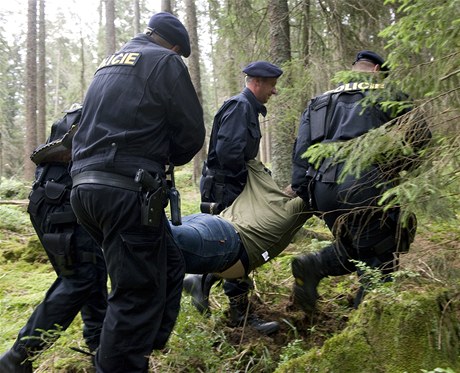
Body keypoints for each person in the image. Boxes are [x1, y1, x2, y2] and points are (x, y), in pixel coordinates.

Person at [69, 12, 205, 373]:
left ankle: (141, 347)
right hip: (126, 192)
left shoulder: (109, 64)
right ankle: (122, 360)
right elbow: (191, 133)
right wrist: (168, 159)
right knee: (135, 294)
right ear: (175, 46)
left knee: (170, 263)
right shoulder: (166, 61)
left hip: (84, 190)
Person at [290, 50, 431, 312]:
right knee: (380, 257)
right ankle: (368, 333)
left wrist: (309, 196)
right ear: (377, 71)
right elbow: (421, 138)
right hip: (365, 185)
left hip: (323, 188)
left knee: (355, 248)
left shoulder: (319, 102)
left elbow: (300, 153)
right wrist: (398, 175)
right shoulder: (389, 96)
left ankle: (313, 266)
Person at [0, 106, 108, 373]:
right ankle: (16, 358)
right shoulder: (100, 111)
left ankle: (101, 353)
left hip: (57, 200)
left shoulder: (92, 109)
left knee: (92, 276)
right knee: (80, 278)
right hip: (62, 203)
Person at [190, 61, 283, 335]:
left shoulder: (247, 109)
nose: (274, 92)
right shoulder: (240, 107)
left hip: (229, 187)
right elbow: (230, 154)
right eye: (271, 86)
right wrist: (252, 181)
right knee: (237, 248)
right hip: (226, 189)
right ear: (257, 82)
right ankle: (242, 316)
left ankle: (200, 281)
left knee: (229, 247)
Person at [177, 160, 311, 335]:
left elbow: (250, 161)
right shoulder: (289, 214)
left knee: (164, 235)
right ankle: (202, 282)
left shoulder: (260, 187)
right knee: (165, 239)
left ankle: (200, 280)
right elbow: (312, 197)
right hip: (227, 241)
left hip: (207, 221)